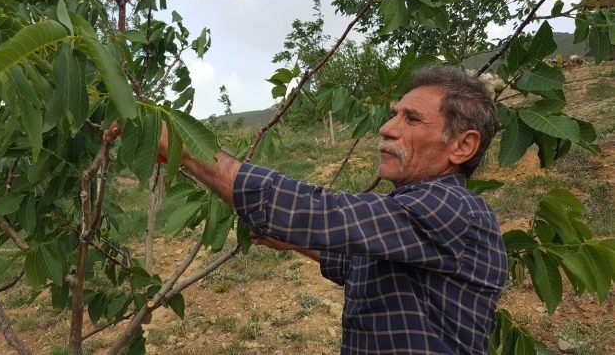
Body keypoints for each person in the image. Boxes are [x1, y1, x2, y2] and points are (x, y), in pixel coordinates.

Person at [157, 66, 507, 354]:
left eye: (412, 119)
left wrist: (185, 147)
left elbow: (321, 212)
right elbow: (359, 265)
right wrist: (292, 241)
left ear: (463, 146)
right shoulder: (411, 220)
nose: (386, 128)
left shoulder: (452, 207)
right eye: (393, 115)